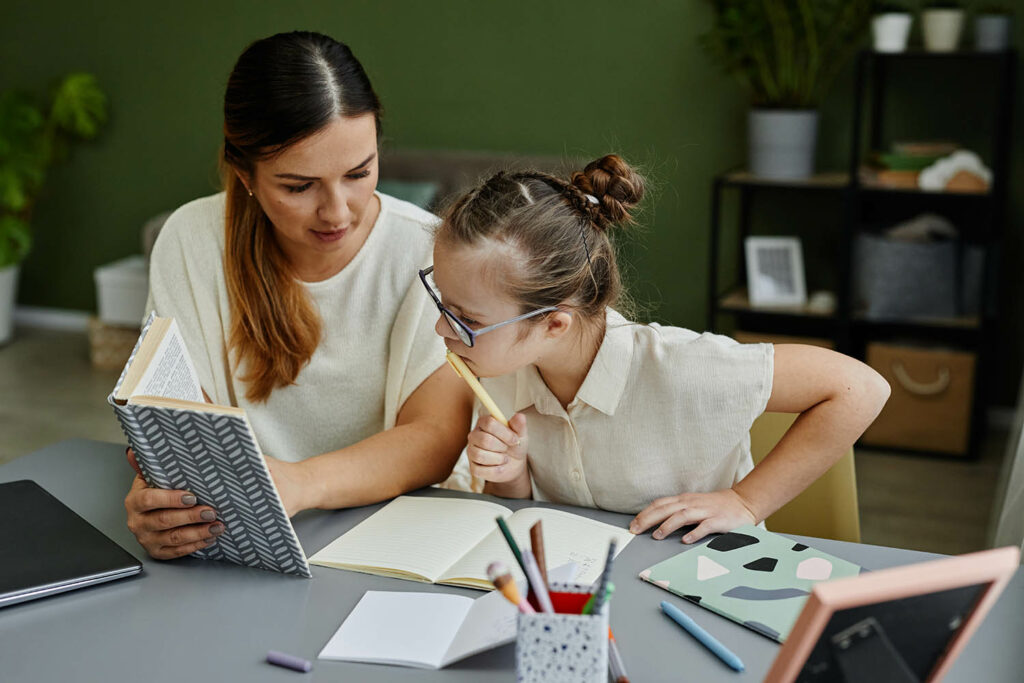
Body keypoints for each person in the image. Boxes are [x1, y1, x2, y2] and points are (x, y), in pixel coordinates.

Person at [124, 31, 472, 560]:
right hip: (243, 539)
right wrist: (164, 499)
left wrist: (299, 485)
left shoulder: (427, 251)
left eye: (359, 173)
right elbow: (181, 423)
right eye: (298, 186)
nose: (337, 212)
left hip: (393, 535)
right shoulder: (190, 241)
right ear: (244, 174)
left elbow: (435, 437)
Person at [424, 154, 890, 544]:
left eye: (468, 319)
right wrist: (510, 476)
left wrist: (746, 502)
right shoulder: (500, 363)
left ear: (554, 325)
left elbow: (861, 388)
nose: (443, 327)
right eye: (442, 302)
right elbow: (530, 518)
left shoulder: (682, 367)